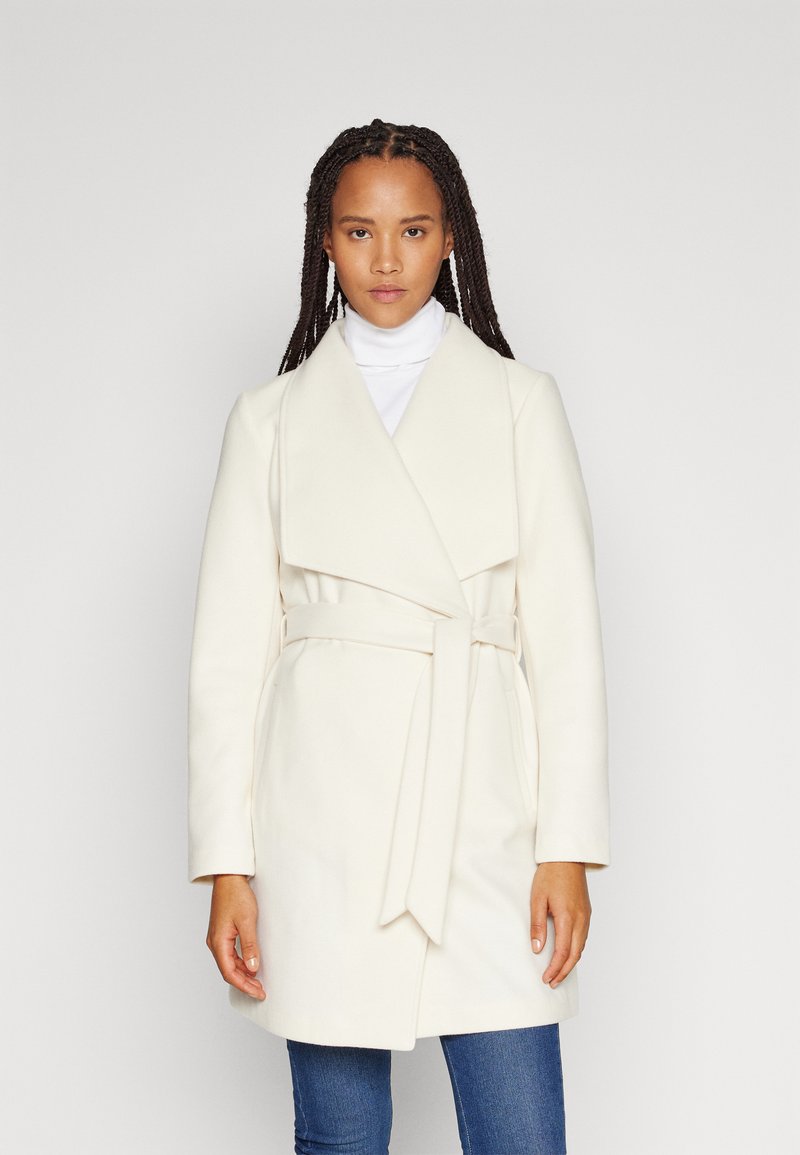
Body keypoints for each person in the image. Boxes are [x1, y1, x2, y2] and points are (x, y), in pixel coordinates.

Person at [187, 118, 611, 1155]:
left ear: (450, 237)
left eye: (413, 230)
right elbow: (228, 659)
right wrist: (228, 865)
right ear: (324, 242)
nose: (386, 259)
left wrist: (566, 847)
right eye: (358, 232)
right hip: (319, 818)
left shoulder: (519, 403)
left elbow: (565, 642)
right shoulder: (269, 419)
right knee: (338, 1137)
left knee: (521, 1136)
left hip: (483, 802)